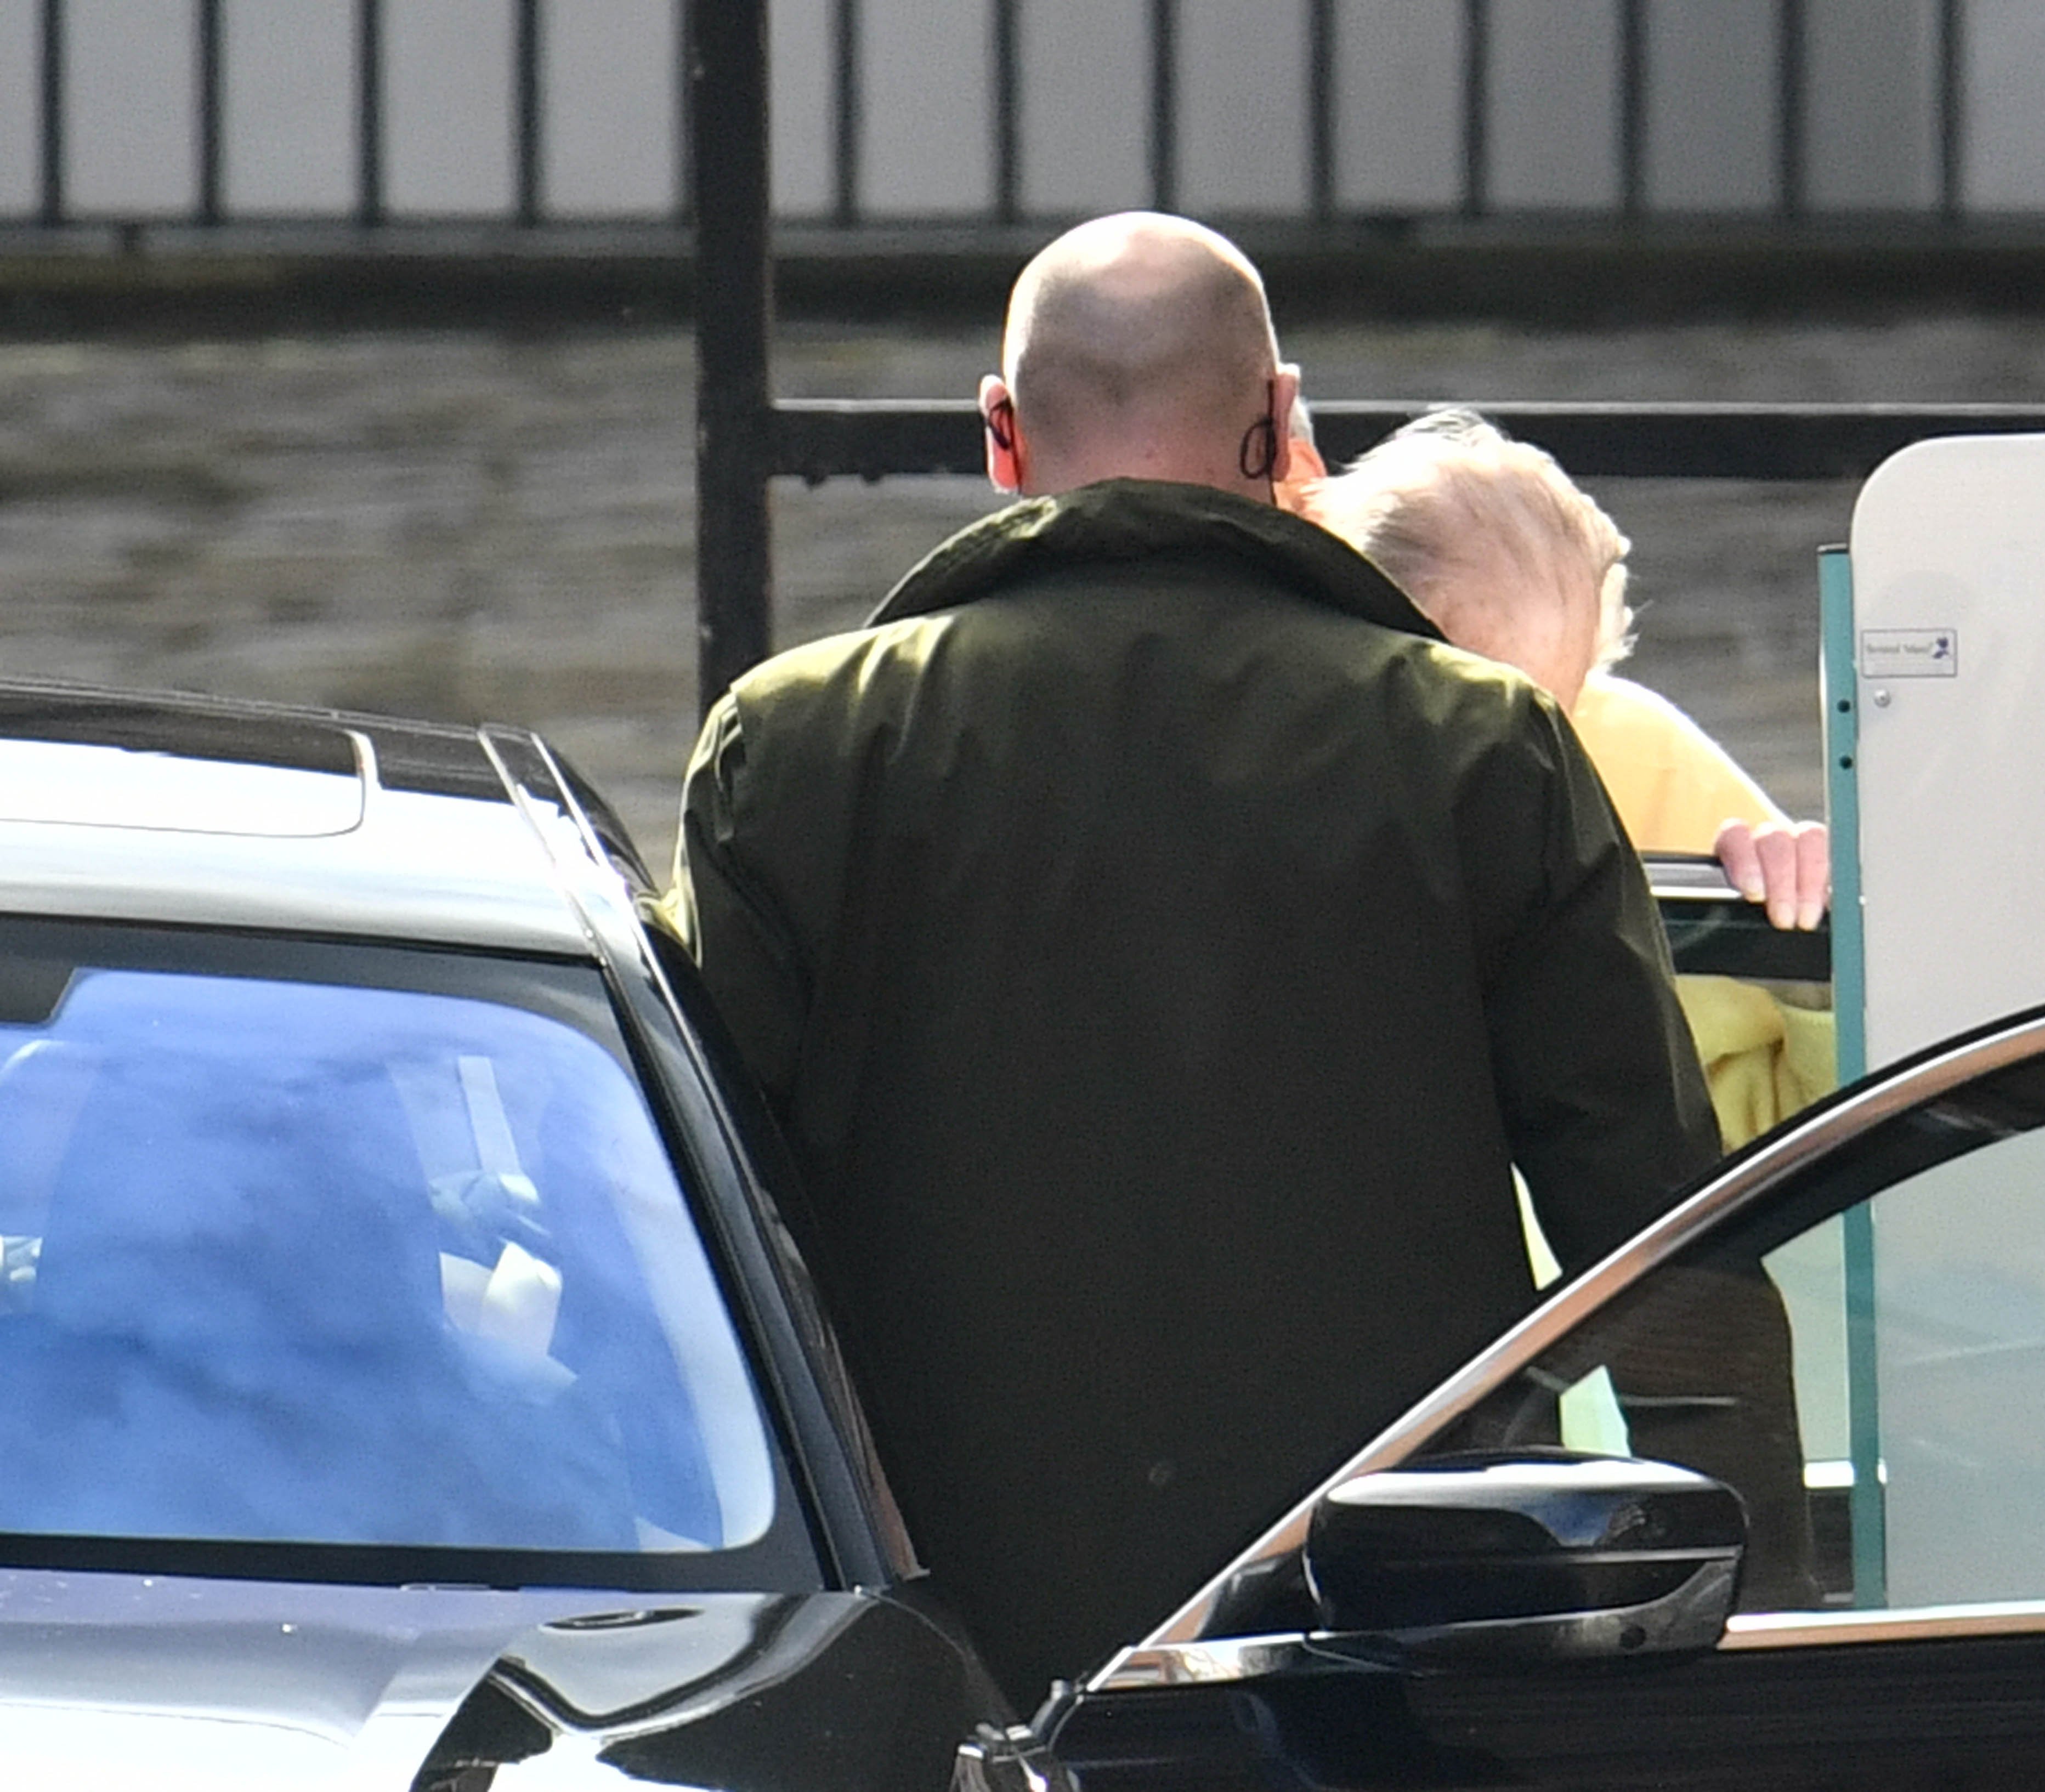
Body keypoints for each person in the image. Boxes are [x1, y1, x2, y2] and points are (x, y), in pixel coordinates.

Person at [655, 214, 1718, 1708]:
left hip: (945, 1668)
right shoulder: (1478, 751)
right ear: (1280, 422)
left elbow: (693, 1239)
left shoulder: (798, 747)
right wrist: (1754, 1611)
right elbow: (1665, 1240)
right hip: (1386, 1657)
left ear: (1002, 434)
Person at [1302, 411, 1835, 1150]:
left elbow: (1799, 1155)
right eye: (1468, 718)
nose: (1517, 770)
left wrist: (1816, 963)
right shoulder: (1254, 776)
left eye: (1552, 720)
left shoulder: (1638, 754)